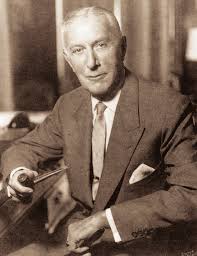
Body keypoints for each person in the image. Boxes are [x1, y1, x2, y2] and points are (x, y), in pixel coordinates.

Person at [1, 6, 197, 256]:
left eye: (101, 45)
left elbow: (191, 194)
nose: (91, 63)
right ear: (68, 59)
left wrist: (105, 220)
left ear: (123, 47)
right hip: (81, 238)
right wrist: (18, 173)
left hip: (144, 244)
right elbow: (26, 147)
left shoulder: (168, 107)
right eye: (78, 50)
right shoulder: (69, 105)